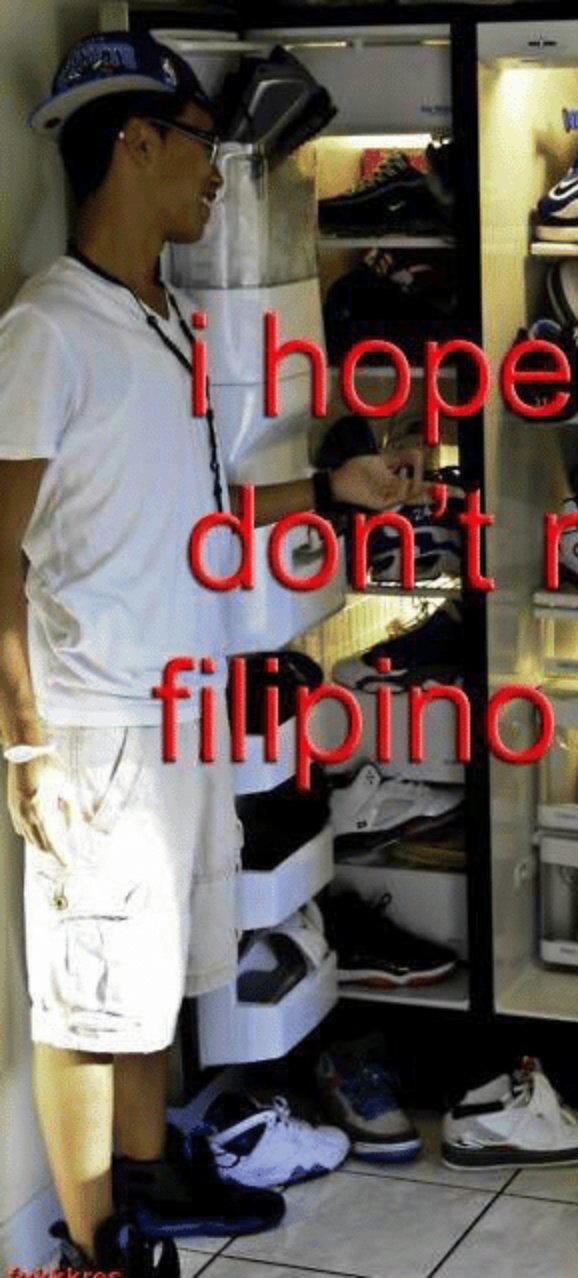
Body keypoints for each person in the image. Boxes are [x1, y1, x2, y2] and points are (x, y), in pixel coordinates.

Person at [0, 32, 423, 1277]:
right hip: (98, 721)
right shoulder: (48, 331)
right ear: (134, 143)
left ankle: (144, 1192)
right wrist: (24, 744)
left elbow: (196, 515)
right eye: (199, 148)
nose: (216, 176)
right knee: (89, 998)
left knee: (147, 982)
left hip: (180, 708)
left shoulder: (168, 322)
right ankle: (94, 1252)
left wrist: (334, 490)